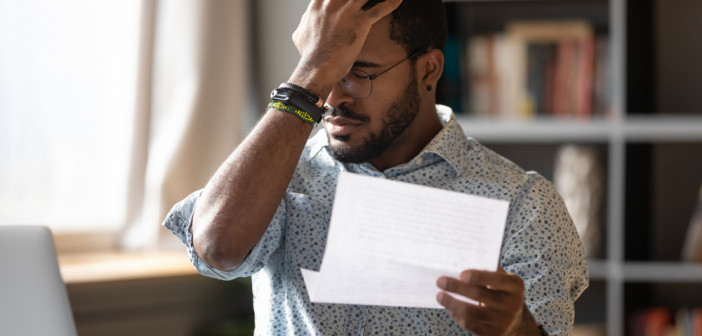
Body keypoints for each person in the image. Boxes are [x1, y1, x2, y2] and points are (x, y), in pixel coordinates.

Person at [163, 0, 589, 335]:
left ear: (429, 70)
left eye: (356, 73)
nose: (331, 98)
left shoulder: (523, 203)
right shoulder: (280, 176)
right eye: (322, 72)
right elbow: (217, 249)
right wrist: (309, 75)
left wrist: (516, 329)